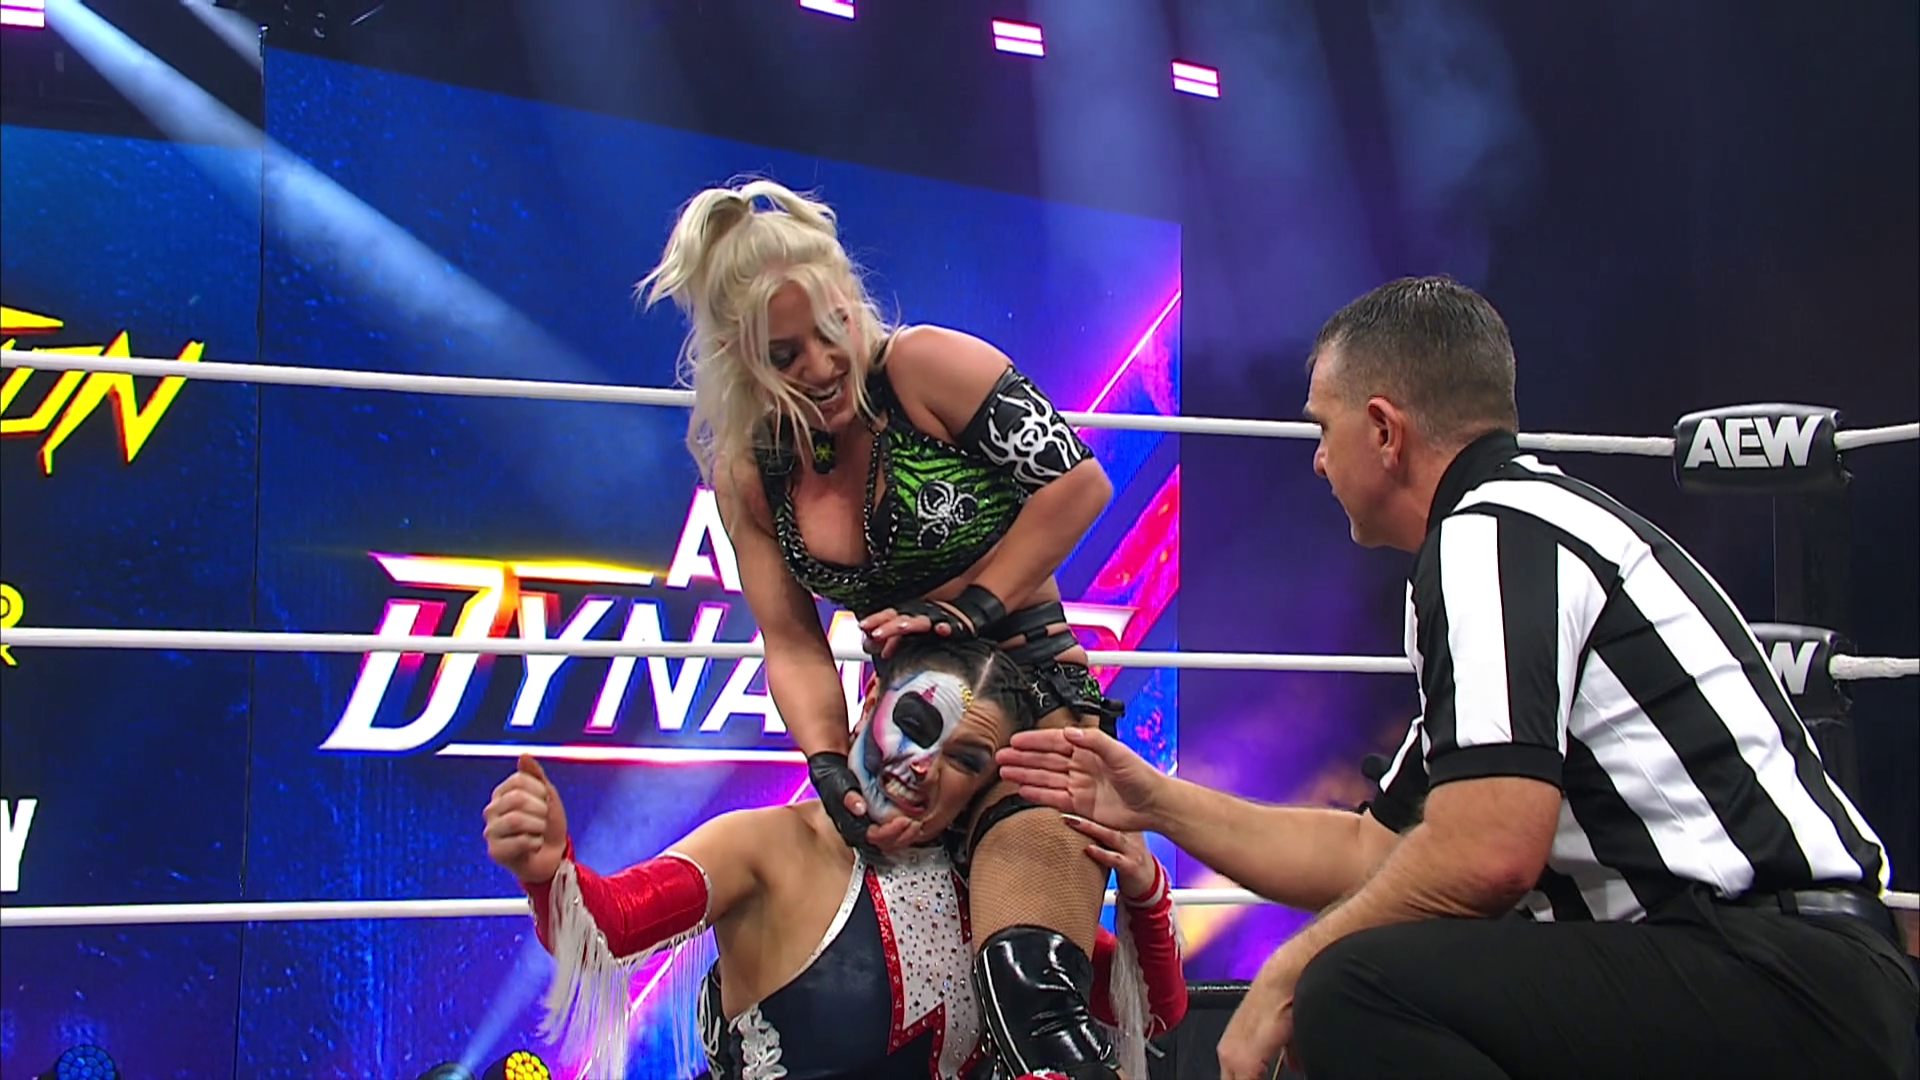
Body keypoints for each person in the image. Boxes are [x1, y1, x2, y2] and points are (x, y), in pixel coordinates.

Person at [997, 276, 1919, 1080]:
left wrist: (1289, 969)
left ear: (1383, 430)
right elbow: (1373, 853)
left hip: (1777, 975)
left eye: (1323, 427)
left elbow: (1489, 856)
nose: (1316, 458)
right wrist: (1156, 801)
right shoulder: (1520, 528)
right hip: (1762, 970)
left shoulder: (1492, 538)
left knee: (1353, 988)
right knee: (1375, 966)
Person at [635, 178, 1132, 1077]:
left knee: (1028, 991)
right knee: (795, 990)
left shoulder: (927, 365)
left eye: (834, 327)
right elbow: (791, 641)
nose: (825, 363)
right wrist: (828, 764)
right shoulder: (751, 469)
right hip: (901, 742)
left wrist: (974, 606)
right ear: (739, 358)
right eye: (786, 353)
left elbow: (1078, 485)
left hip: (1030, 717)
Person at [484, 636, 1186, 1079]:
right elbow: (609, 928)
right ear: (869, 699)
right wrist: (548, 870)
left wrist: (1145, 889)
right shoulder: (763, 845)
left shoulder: (986, 880)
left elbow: (1153, 1013)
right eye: (917, 723)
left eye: (966, 759)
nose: (923, 765)